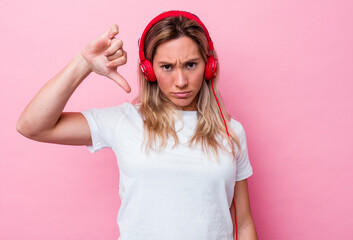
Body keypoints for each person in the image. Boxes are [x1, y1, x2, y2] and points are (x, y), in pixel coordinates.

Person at [16, 10, 258, 240]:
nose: (181, 81)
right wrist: (83, 63)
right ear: (149, 70)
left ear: (209, 66)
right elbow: (32, 125)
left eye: (191, 65)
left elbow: (244, 222)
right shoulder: (124, 121)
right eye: (167, 67)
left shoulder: (231, 132)